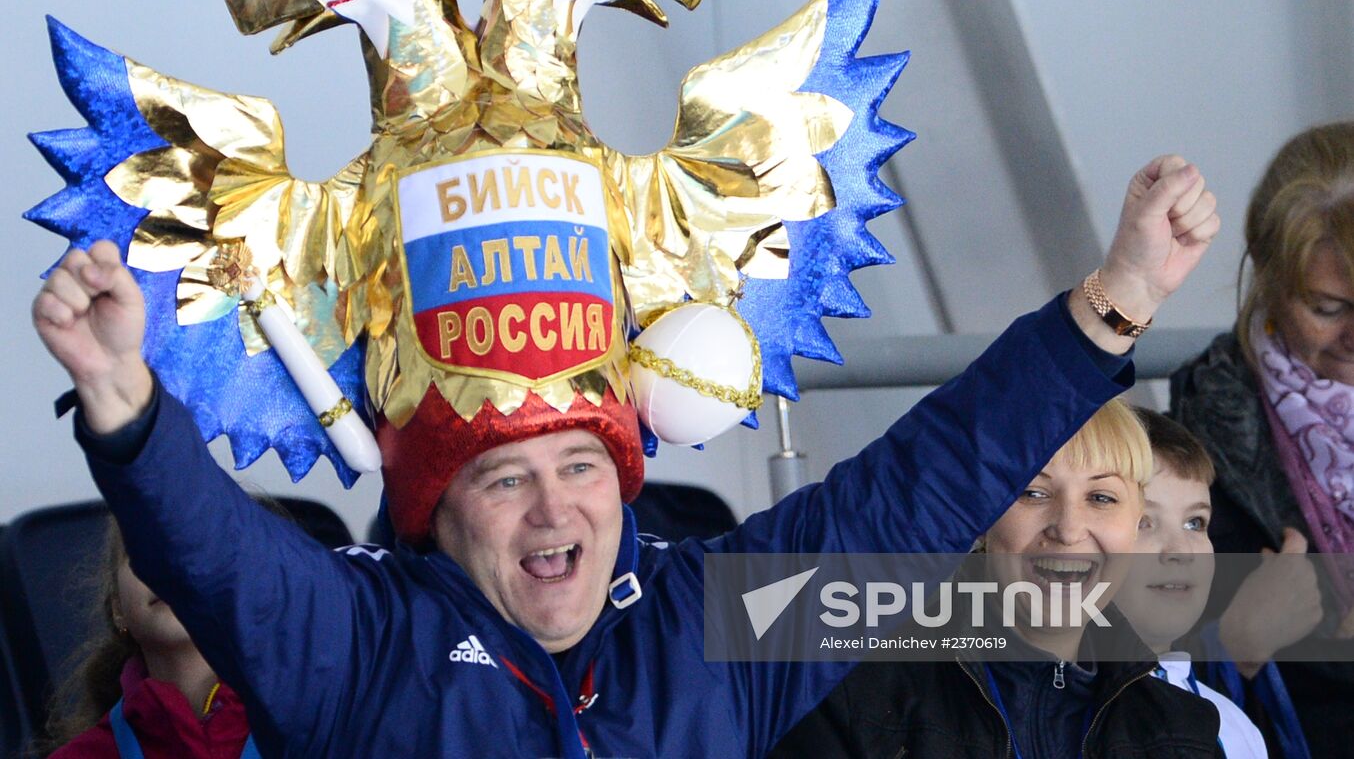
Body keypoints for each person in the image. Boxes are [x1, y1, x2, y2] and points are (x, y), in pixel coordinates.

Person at [31, 156, 1219, 758]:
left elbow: (911, 486)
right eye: (507, 476)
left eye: (583, 465)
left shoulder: (715, 622)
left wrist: (1110, 304)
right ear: (438, 511)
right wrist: (126, 406)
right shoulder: (361, 640)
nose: (557, 506)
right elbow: (222, 558)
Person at [768, 399, 1226, 758]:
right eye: (1033, 492)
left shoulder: (1183, 728)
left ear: (1133, 524)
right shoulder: (858, 691)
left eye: (1102, 498)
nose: (1067, 529)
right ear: (982, 515)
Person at [1171, 123, 1354, 757]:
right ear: (1269, 282)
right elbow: (1129, 668)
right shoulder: (1202, 435)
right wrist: (1236, 645)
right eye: (1329, 308)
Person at [1116, 408, 1272, 759]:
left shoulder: (1234, 727)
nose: (1180, 552)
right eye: (1143, 522)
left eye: (1195, 523)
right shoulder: (1052, 715)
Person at [34, 519, 256, 758]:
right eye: (142, 547)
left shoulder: (300, 728)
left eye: (195, 544)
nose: (167, 563)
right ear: (118, 609)